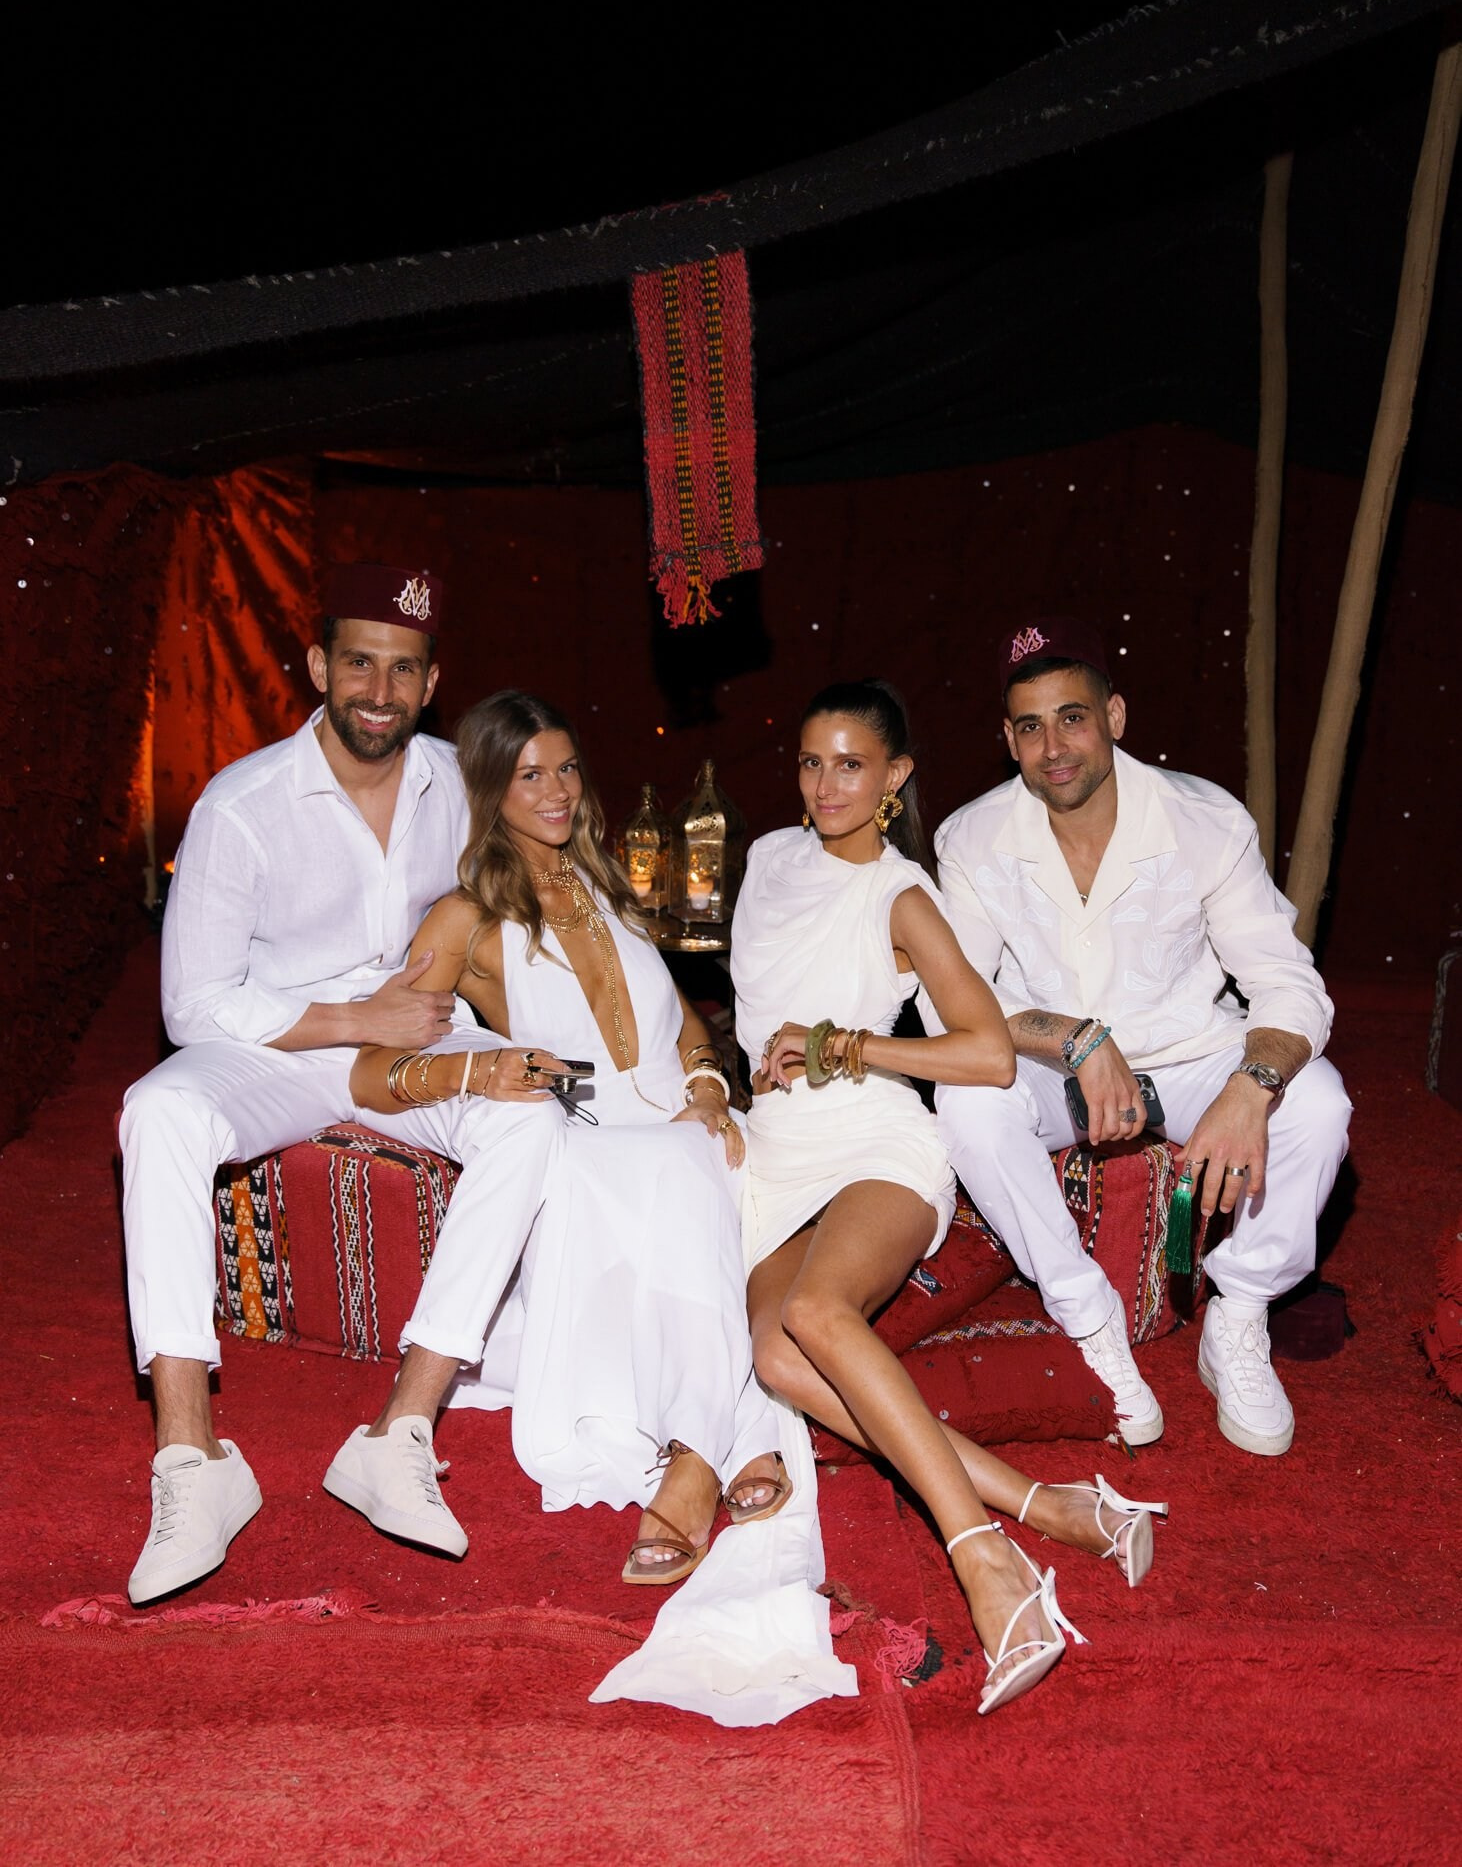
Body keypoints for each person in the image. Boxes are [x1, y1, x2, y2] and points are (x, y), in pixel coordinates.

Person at [348, 691, 851, 1725]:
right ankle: (717, 1445)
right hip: (582, 1146)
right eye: (529, 774)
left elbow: (681, 1029)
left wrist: (710, 1085)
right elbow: (374, 1069)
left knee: (701, 1159)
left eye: (567, 769)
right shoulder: (465, 917)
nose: (556, 791)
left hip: (674, 1123)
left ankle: (703, 1446)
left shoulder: (609, 885)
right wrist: (480, 1069)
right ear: (490, 792)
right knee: (673, 1176)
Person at [118, 565, 564, 1606]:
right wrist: (355, 1019)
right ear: (319, 666)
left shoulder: (462, 780)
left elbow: (540, 896)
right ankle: (193, 1462)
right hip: (277, 1046)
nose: (378, 688)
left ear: (431, 681)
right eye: (358, 661)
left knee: (527, 1125)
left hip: (416, 1044)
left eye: (402, 669)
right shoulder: (243, 804)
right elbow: (193, 1005)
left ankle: (400, 1430)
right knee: (160, 1110)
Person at [731, 678, 1167, 1715]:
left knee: (817, 1313)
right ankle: (1050, 1507)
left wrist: (849, 1045)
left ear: (895, 778)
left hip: (875, 1138)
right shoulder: (764, 860)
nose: (827, 782)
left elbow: (978, 1050)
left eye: (851, 764)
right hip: (773, 1150)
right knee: (775, 1357)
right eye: (810, 761)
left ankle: (985, 1561)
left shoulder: (901, 896)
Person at [926, 616, 1352, 1456]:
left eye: (1073, 717)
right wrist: (1076, 1038)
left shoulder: (1204, 820)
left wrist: (1249, 1089)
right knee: (967, 1101)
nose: (1055, 745)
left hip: (1193, 1057)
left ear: (1115, 716)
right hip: (1051, 1066)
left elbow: (1288, 984)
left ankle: (1240, 1309)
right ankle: (1088, 1317)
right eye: (1030, 726)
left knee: (1321, 1104)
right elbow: (958, 1009)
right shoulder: (971, 838)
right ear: (1007, 741)